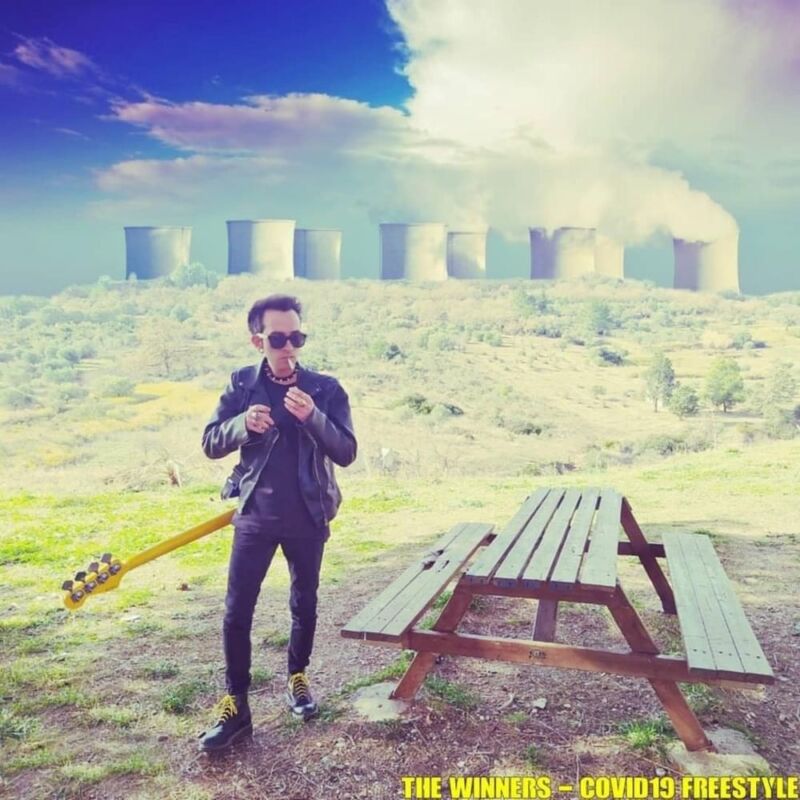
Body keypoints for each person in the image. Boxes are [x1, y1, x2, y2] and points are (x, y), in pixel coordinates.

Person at [198, 293, 357, 752]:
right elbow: (210, 443)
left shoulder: (324, 389)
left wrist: (313, 418)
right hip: (255, 516)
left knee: (304, 602)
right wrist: (242, 425)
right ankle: (236, 705)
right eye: (278, 339)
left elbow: (346, 452)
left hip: (308, 514)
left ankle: (298, 678)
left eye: (297, 337)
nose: (289, 347)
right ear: (258, 341)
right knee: (236, 611)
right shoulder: (242, 385)